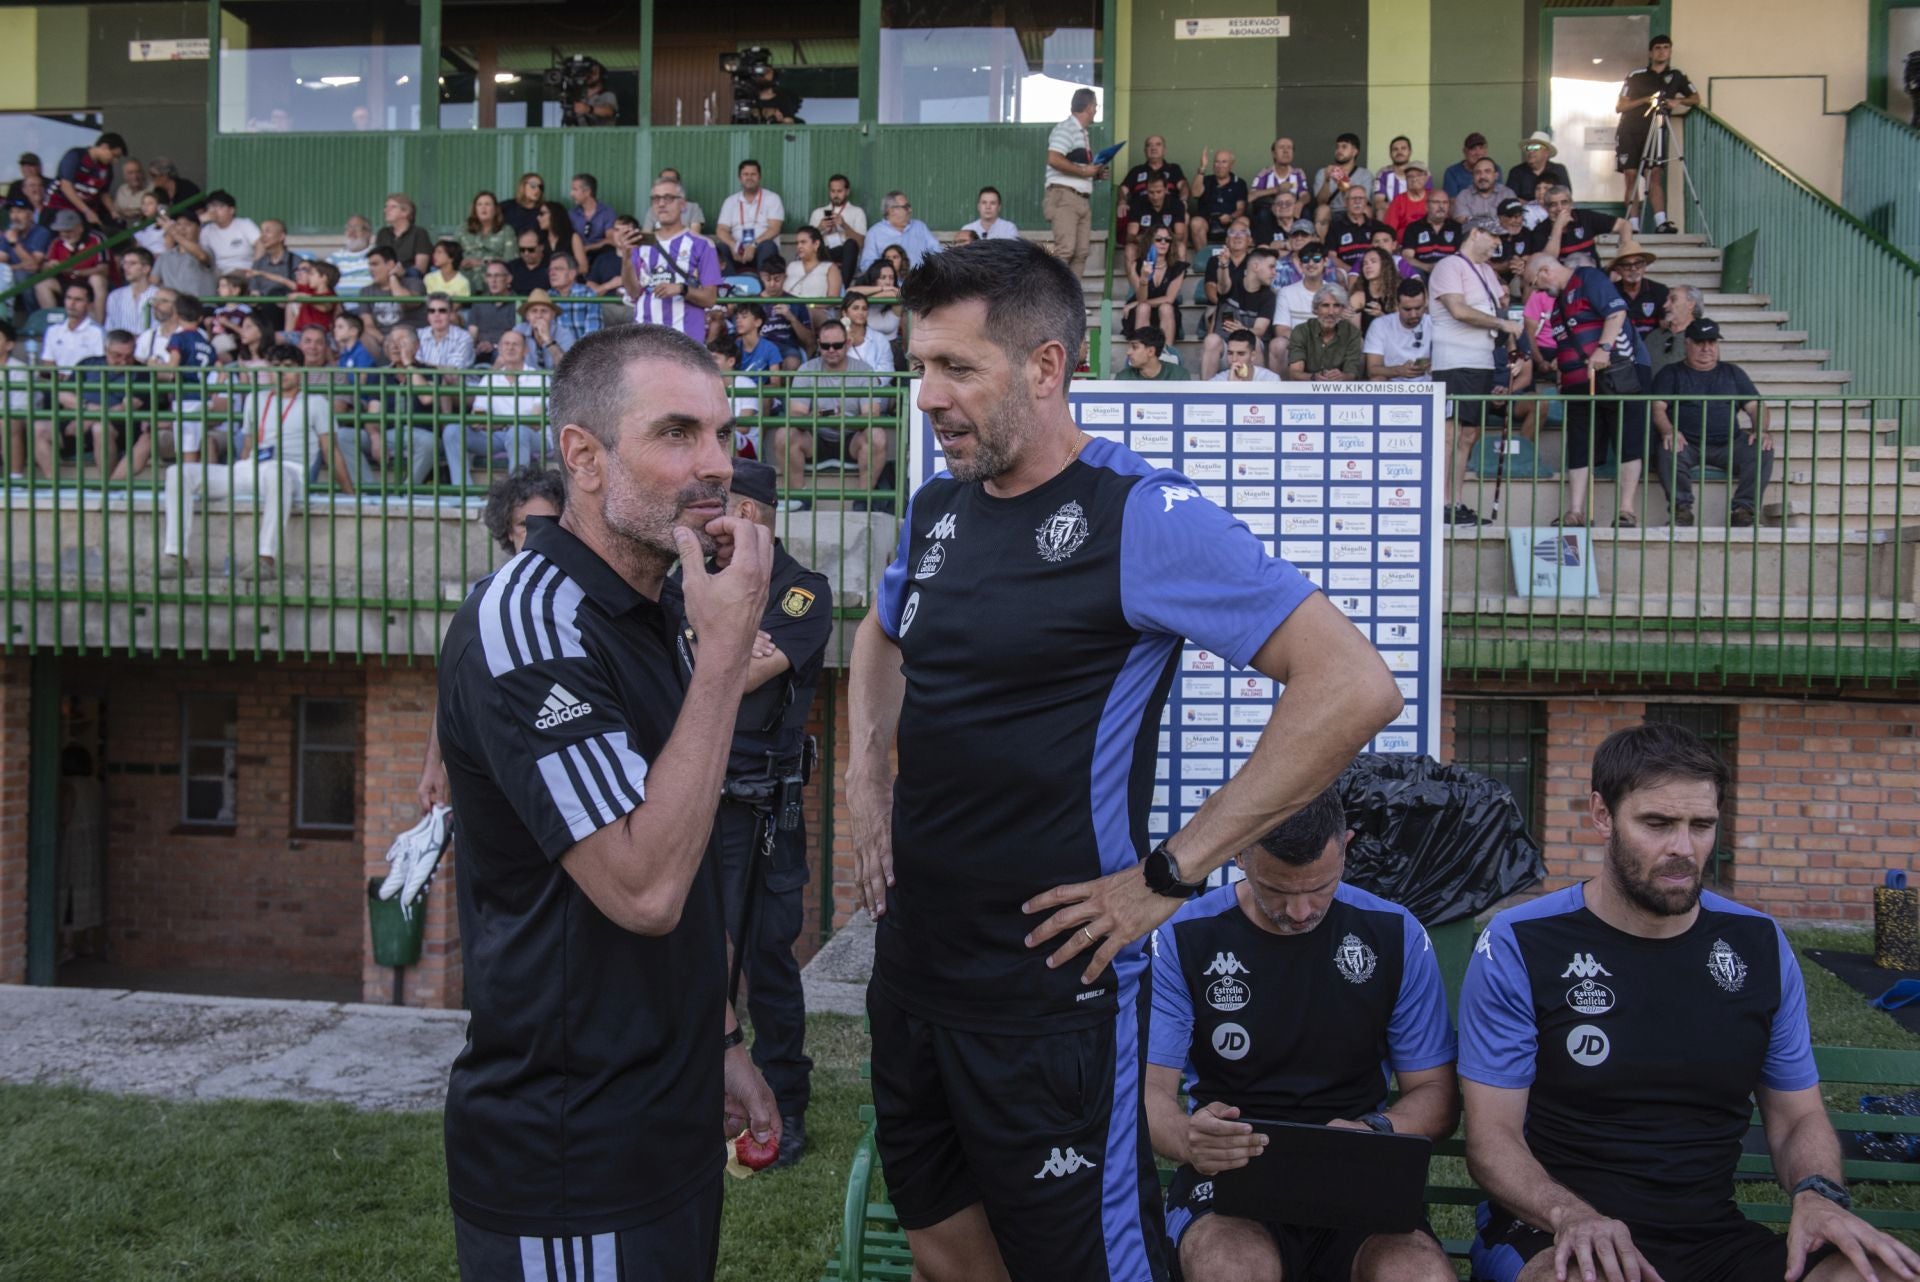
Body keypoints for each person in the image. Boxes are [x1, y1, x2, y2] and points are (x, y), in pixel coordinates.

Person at [847, 237, 1402, 1282]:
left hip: (1050, 997)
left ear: (1047, 368)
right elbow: (882, 637)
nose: (927, 396)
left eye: (957, 367)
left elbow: (1352, 684)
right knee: (946, 1254)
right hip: (915, 976)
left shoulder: (1137, 515)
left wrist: (1168, 876)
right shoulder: (936, 511)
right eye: (919, 366)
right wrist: (865, 772)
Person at [435, 323, 779, 1281]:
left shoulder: (661, 601)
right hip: (569, 1151)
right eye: (677, 434)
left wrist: (718, 1039)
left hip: (667, 1123)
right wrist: (723, 656)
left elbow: (688, 834)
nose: (716, 466)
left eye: (722, 432)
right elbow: (644, 888)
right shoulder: (529, 625)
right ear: (582, 457)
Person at [1460, 721, 1920, 1282]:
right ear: (1602, 815)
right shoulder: (1523, 941)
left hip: (1713, 1238)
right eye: (1657, 823)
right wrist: (1572, 1216)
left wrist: (1818, 1192)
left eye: (1701, 825)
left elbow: (1797, 1117)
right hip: (1555, 1231)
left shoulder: (1757, 944)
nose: (1683, 848)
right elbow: (1491, 1140)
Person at [1149, 784, 1459, 1282]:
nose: (1300, 912)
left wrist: (1373, 1132)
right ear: (1239, 853)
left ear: (1347, 846)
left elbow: (1437, 1095)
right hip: (1232, 1178)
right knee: (1232, 1268)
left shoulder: (1393, 933)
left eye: (1320, 887)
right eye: (1278, 891)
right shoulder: (1184, 937)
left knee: (1416, 1274)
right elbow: (1149, 1093)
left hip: (1358, 1170)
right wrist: (1190, 1139)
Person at [659, 457, 830, 1169]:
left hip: (769, 802)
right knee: (700, 950)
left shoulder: (801, 593)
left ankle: (784, 1106)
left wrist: (718, 649)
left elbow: (747, 671)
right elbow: (687, 667)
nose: (732, 528)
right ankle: (700, 1099)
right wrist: (725, 646)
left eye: (746, 512)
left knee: (769, 960)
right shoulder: (682, 590)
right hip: (704, 794)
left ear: (765, 513)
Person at [413, 464, 566, 810]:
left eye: (551, 524)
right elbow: (453, 689)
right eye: (526, 526)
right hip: (505, 777)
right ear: (508, 533)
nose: (539, 535)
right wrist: (434, 765)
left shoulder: (586, 595)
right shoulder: (483, 601)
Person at [159, 343, 355, 580]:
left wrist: (350, 495)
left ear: (301, 370)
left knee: (275, 471)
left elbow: (330, 449)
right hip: (253, 469)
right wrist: (241, 469)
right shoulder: (255, 398)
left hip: (291, 471)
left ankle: (266, 558)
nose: (281, 372)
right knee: (178, 473)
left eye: (289, 367)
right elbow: (249, 444)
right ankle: (175, 556)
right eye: (276, 367)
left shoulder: (316, 403)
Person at [1528, 252, 1652, 528]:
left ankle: (1626, 510)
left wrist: (1604, 349)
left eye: (1535, 282)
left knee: (1627, 439)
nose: (1537, 289)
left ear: (1546, 271)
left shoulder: (1589, 278)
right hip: (1577, 384)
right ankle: (1575, 510)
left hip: (1614, 375)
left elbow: (1616, 311)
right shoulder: (1558, 303)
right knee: (1579, 444)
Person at [1432, 228, 1523, 526]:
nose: (1498, 243)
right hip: (1453, 361)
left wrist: (1513, 351)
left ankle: (1455, 501)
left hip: (1481, 362)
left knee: (1469, 435)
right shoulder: (1449, 265)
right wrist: (1502, 324)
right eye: (1494, 237)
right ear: (1475, 232)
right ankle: (1441, 503)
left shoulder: (1486, 271)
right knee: (1450, 434)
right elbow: (1458, 310)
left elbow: (1501, 314)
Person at [1650, 317, 1774, 529]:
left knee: (1762, 449)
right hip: (1687, 444)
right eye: (1700, 342)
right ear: (1687, 343)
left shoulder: (1733, 372)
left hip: (1729, 443)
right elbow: (1657, 408)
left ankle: (1744, 511)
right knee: (1667, 448)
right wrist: (1669, 431)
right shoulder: (1671, 373)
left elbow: (1756, 406)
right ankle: (1682, 511)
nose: (1706, 348)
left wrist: (1760, 430)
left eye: (1712, 342)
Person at [615, 181, 721, 344]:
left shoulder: (702, 245)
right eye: (656, 198)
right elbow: (634, 293)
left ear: (683, 204)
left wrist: (681, 289)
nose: (661, 203)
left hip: (685, 340)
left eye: (668, 198)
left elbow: (710, 299)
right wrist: (626, 258)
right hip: (645, 338)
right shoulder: (640, 242)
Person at [1616, 34, 1700, 234]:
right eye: (1658, 48)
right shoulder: (1636, 75)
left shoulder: (1677, 75)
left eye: (1666, 47)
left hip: (1657, 130)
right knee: (1631, 176)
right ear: (1650, 52)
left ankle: (1661, 222)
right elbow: (1620, 106)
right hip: (1630, 130)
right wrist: (1647, 99)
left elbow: (1696, 98)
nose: (1662, 51)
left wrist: (1677, 101)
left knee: (1654, 175)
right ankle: (1633, 225)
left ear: (1670, 51)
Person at [443, 329, 547, 488]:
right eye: (506, 344)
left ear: (526, 350)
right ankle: (463, 491)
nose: (510, 348)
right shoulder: (490, 378)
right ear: (499, 348)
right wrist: (487, 422)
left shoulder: (539, 377)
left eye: (515, 344)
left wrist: (495, 423)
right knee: (452, 431)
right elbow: (478, 415)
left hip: (532, 437)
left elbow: (534, 422)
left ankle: (516, 493)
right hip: (497, 435)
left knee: (517, 432)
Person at [1044, 86, 1106, 280]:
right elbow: (1054, 158)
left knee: (1081, 253)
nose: (1096, 109)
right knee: (1065, 250)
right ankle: (1053, 302)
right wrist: (1083, 171)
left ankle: (1073, 304)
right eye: (1096, 105)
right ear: (1088, 107)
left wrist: (1093, 174)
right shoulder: (1066, 128)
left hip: (1080, 198)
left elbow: (1074, 165)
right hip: (1064, 196)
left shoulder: (1082, 133)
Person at [1201, 245, 1277, 380]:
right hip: (1225, 351)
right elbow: (1223, 286)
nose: (1274, 272)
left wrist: (1244, 329)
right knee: (1211, 340)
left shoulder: (1268, 296)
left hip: (1249, 354)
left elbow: (1259, 330)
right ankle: (1206, 394)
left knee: (1256, 340)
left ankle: (1256, 394)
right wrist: (1223, 266)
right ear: (1255, 266)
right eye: (1271, 267)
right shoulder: (1233, 282)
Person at [1526, 186, 1627, 268]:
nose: (1559, 208)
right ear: (1546, 208)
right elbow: (1546, 263)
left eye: (1564, 203)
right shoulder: (1540, 230)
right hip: (1561, 284)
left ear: (1571, 204)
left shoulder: (1585, 217)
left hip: (1592, 276)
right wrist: (1558, 227)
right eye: (1553, 204)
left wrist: (1626, 253)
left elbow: (1624, 224)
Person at [45, 132, 126, 232]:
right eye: (114, 156)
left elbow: (104, 193)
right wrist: (87, 211)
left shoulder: (107, 169)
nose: (115, 161)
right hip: (58, 207)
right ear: (104, 147)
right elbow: (66, 186)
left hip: (83, 211)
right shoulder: (76, 156)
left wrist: (113, 211)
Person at [37, 210, 111, 317]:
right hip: (68, 283)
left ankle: (99, 325)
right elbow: (44, 269)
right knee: (42, 284)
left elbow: (104, 269)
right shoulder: (57, 242)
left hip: (89, 283)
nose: (64, 234)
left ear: (80, 228)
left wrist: (75, 272)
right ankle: (53, 324)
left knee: (97, 279)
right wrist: (49, 266)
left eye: (68, 231)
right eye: (61, 231)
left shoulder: (96, 238)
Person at [717, 159, 786, 273]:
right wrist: (733, 245)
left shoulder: (772, 198)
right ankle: (730, 287)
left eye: (753, 174)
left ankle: (764, 288)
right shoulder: (730, 201)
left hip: (761, 249)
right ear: (740, 178)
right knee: (720, 248)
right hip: (737, 251)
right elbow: (721, 229)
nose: (749, 177)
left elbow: (775, 229)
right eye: (745, 174)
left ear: (759, 177)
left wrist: (754, 245)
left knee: (768, 246)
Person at [1285, 285, 1364, 382]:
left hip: (1340, 391)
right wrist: (1313, 377)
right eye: (1325, 305)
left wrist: (1342, 376)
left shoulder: (1352, 333)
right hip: (1307, 390)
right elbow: (1295, 372)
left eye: (1336, 306)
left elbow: (1352, 373)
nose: (1331, 312)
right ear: (1315, 309)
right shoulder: (1301, 331)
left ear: (1343, 309)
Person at [1124, 228, 1188, 342]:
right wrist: (1144, 278)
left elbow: (1169, 298)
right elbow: (1142, 299)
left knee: (1166, 307)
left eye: (1167, 240)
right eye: (1158, 239)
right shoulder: (1137, 265)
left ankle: (1167, 353)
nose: (1163, 243)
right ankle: (1142, 350)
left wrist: (1135, 303)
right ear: (1150, 241)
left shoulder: (1178, 267)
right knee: (1143, 308)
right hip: (1140, 311)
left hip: (1165, 311)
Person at [1364, 277, 1433, 381]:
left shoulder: (1434, 323)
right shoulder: (1380, 325)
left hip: (1429, 386)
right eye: (1407, 309)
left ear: (1425, 303)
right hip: (1393, 387)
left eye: (1418, 308)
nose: (1413, 314)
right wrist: (1399, 371)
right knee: (1377, 379)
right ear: (1397, 305)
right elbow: (1372, 370)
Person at [1270, 239, 1333, 351]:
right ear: (1300, 264)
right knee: (1277, 344)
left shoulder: (1335, 293)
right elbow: (1281, 329)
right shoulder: (1286, 292)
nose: (1311, 264)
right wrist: (1307, 341)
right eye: (1305, 260)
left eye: (1316, 259)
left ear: (1326, 261)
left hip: (1328, 346)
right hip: (1297, 346)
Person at [1248, 137, 1310, 245]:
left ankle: (1307, 245)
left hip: (1291, 211)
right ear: (1273, 154)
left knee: (1306, 212)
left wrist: (1300, 203)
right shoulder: (1265, 173)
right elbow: (1250, 197)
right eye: (1281, 148)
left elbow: (1305, 195)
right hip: (1270, 211)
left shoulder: (1298, 173)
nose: (1286, 151)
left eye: (1289, 148)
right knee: (1263, 214)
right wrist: (1276, 189)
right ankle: (1266, 246)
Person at [859, 191, 942, 273]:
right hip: (891, 283)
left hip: (921, 280)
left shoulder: (919, 227)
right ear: (891, 211)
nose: (910, 210)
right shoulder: (875, 233)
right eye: (906, 207)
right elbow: (866, 264)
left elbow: (938, 251)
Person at [360, 246, 427, 346]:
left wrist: (393, 277)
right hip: (383, 342)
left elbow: (408, 302)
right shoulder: (365, 291)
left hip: (411, 341)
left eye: (375, 264)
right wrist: (385, 341)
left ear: (391, 264)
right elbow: (368, 325)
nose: (371, 269)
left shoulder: (414, 283)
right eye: (370, 265)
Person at [807, 174, 866, 283]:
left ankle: (843, 287)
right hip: (825, 251)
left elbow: (861, 243)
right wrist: (820, 228)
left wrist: (844, 225)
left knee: (851, 244)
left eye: (839, 191)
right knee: (817, 246)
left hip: (846, 252)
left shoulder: (857, 212)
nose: (836, 195)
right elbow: (807, 242)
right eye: (833, 191)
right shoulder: (818, 213)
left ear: (847, 192)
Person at [1189, 149, 1248, 256]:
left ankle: (1235, 259)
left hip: (1230, 221)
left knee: (1244, 221)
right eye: (1217, 161)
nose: (1219, 165)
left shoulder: (1239, 183)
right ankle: (1204, 260)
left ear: (1231, 164)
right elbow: (1195, 193)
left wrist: (1231, 217)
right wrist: (1202, 168)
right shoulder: (1205, 179)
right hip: (1207, 221)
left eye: (1224, 162)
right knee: (1196, 222)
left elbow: (1241, 208)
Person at [1117, 134, 1189, 220]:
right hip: (1140, 212)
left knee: (1185, 216)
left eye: (1158, 144)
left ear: (1164, 149)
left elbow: (1183, 186)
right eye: (1149, 145)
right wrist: (1122, 202)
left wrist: (1183, 201)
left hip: (1169, 211)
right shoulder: (1136, 171)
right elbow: (1122, 189)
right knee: (1122, 215)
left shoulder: (1173, 169)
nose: (1153, 148)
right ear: (1145, 150)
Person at [1608, 239, 1667, 340]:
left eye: (1638, 263)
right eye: (1626, 265)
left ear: (1645, 266)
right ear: (1618, 270)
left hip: (1650, 349)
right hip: (1619, 349)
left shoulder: (1660, 291)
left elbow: (1665, 328)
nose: (1633, 268)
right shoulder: (1609, 292)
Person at [1326, 184, 1390, 275]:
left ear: (1366, 202)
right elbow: (1332, 257)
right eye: (1353, 198)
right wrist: (1353, 271)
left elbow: (1386, 253)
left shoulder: (1377, 226)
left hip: (1375, 272)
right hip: (1347, 272)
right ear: (1345, 203)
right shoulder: (1335, 227)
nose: (1357, 202)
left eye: (1361, 198)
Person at [196, 190, 261, 277]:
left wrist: (255, 267)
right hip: (217, 272)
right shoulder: (206, 230)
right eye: (210, 207)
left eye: (220, 207)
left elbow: (260, 244)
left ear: (231, 210)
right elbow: (199, 253)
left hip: (243, 270)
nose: (214, 211)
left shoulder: (244, 224)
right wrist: (199, 221)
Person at [42, 282, 106, 368]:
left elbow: (100, 365)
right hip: (58, 380)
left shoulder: (97, 332)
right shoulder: (53, 330)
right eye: (69, 298)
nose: (71, 304)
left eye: (78, 299)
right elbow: (48, 362)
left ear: (90, 305)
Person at [459, 192, 515, 289]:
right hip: (465, 283)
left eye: (487, 204)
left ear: (495, 209)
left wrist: (483, 262)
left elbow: (511, 261)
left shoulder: (506, 230)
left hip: (494, 284)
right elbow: (451, 254)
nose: (483, 208)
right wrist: (461, 262)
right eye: (479, 204)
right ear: (475, 209)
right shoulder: (463, 229)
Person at [514, 289, 578, 372]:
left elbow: (566, 368)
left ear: (552, 315)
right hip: (526, 380)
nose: (539, 315)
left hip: (555, 382)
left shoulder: (564, 334)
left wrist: (548, 340)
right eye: (534, 311)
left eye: (544, 311)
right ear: (527, 316)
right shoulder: (518, 331)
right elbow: (504, 359)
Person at [1644, 283, 1701, 375]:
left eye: (1673, 300)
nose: (1665, 305)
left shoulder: (1701, 337)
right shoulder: (1654, 335)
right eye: (1666, 300)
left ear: (1690, 304)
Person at [1399, 191, 1462, 274]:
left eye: (1445, 202)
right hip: (1422, 271)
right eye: (1436, 202)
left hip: (1449, 273)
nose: (1441, 206)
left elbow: (1461, 257)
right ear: (1426, 206)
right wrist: (1426, 267)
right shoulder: (1414, 227)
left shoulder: (1457, 227)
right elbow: (1407, 257)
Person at [467, 262, 519, 359]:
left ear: (509, 279)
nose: (493, 280)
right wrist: (473, 348)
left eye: (497, 276)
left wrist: (494, 346)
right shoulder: (479, 302)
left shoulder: (518, 304)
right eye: (489, 276)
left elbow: (516, 337)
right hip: (480, 351)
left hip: (505, 351)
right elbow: (472, 334)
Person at [1310, 133, 1373, 212]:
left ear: (1354, 152)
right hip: (1331, 213)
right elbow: (1321, 202)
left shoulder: (1365, 174)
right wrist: (1327, 180)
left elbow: (1363, 201)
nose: (1339, 150)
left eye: (1344, 147)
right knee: (1322, 210)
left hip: (1354, 213)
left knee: (1367, 210)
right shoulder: (1323, 172)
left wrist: (1342, 181)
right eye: (1337, 147)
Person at [1453, 158, 1519, 232]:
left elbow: (1514, 222)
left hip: (1503, 240)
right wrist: (1499, 222)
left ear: (1496, 175)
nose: (1482, 176)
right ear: (1473, 176)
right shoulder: (1463, 196)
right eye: (1478, 172)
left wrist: (1476, 221)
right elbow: (1465, 224)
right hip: (1474, 240)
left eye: (1487, 171)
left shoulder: (1507, 194)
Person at [106, 246, 160, 335]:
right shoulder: (115, 296)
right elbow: (110, 326)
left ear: (146, 269)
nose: (126, 267)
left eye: (132, 263)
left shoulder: (158, 295)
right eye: (124, 263)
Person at [1507, 131, 1571, 204]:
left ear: (1546, 153)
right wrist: (1533, 206)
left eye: (1535, 147)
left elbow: (1566, 196)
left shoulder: (1558, 170)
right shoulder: (1517, 171)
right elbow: (1511, 198)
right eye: (1528, 148)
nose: (1531, 151)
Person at [569, 172, 616, 271]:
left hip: (600, 257)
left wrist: (589, 248)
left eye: (575, 189)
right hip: (577, 256)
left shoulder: (606, 212)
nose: (571, 194)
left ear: (587, 192)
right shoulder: (572, 214)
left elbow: (611, 240)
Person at [416, 292, 476, 370]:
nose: (436, 314)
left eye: (442, 311)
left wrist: (422, 367)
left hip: (456, 382)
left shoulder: (463, 337)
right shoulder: (417, 335)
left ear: (450, 314)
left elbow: (453, 372)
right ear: (428, 315)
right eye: (432, 311)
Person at [377, 192, 432, 275]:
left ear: (406, 212)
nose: (385, 210)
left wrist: (404, 272)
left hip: (410, 281)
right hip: (386, 279)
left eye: (392, 207)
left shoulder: (419, 233)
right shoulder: (383, 233)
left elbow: (421, 268)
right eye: (386, 207)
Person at [247, 219, 303, 297]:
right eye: (261, 232)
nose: (262, 236)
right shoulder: (258, 263)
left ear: (281, 236)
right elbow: (254, 291)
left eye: (268, 232)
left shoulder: (295, 261)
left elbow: (301, 289)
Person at [1116, 325, 1190, 382]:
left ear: (1151, 351)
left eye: (1135, 347)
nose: (1128, 352)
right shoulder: (1123, 378)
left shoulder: (1179, 376)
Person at [329, 214, 376, 296]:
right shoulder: (334, 258)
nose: (351, 232)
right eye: (349, 228)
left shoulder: (377, 254)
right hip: (340, 306)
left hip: (368, 306)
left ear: (368, 233)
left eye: (356, 228)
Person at [1383, 160, 1432, 235]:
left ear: (1426, 177)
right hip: (1404, 244)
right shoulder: (1399, 200)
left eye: (1418, 175)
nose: (1414, 179)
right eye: (1410, 176)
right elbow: (1389, 230)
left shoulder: (1433, 197)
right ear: (1406, 179)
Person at [1215, 328, 1280, 382]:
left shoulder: (1270, 380)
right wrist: (1232, 386)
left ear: (1253, 356)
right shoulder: (1218, 381)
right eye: (1230, 353)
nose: (1234, 359)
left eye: (1241, 354)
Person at [565, 57, 617, 125]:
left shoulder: (608, 95)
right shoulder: (579, 96)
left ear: (601, 75)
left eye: (594, 72)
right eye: (588, 72)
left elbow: (609, 111)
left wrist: (589, 109)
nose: (590, 75)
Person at [1442, 133, 1489, 199]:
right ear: (1464, 151)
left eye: (1481, 148)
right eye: (1473, 149)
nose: (1478, 153)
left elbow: (1499, 198)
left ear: (1485, 151)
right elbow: (1451, 202)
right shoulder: (1452, 172)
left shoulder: (1495, 170)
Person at [501, 173, 546, 237]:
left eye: (540, 187)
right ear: (523, 186)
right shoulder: (507, 206)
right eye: (533, 186)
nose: (537, 190)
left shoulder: (544, 210)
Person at [111, 157, 151, 222]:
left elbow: (154, 209)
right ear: (124, 176)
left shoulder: (151, 187)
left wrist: (135, 212)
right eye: (130, 173)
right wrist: (120, 213)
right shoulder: (121, 189)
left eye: (138, 172)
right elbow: (115, 211)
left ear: (142, 173)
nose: (135, 176)